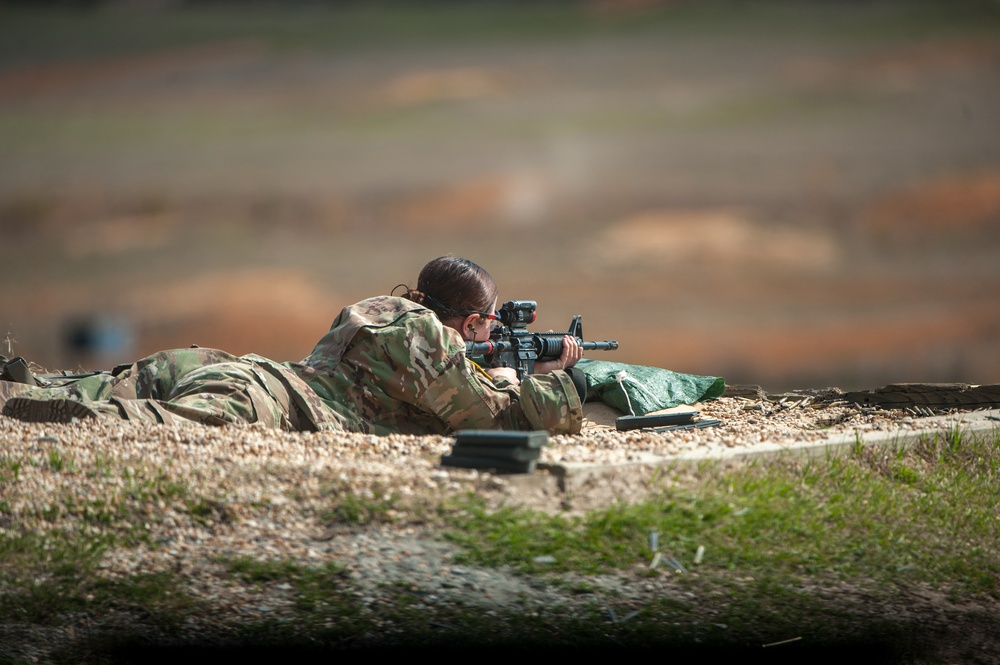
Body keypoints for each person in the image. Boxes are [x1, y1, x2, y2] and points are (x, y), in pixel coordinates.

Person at [1, 257, 585, 435]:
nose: (487, 335)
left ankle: (23, 381)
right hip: (272, 399)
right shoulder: (430, 339)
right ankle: (86, 419)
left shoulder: (378, 310)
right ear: (469, 319)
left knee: (128, 374)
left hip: (247, 369)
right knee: (166, 420)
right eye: (484, 324)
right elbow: (487, 421)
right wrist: (554, 379)